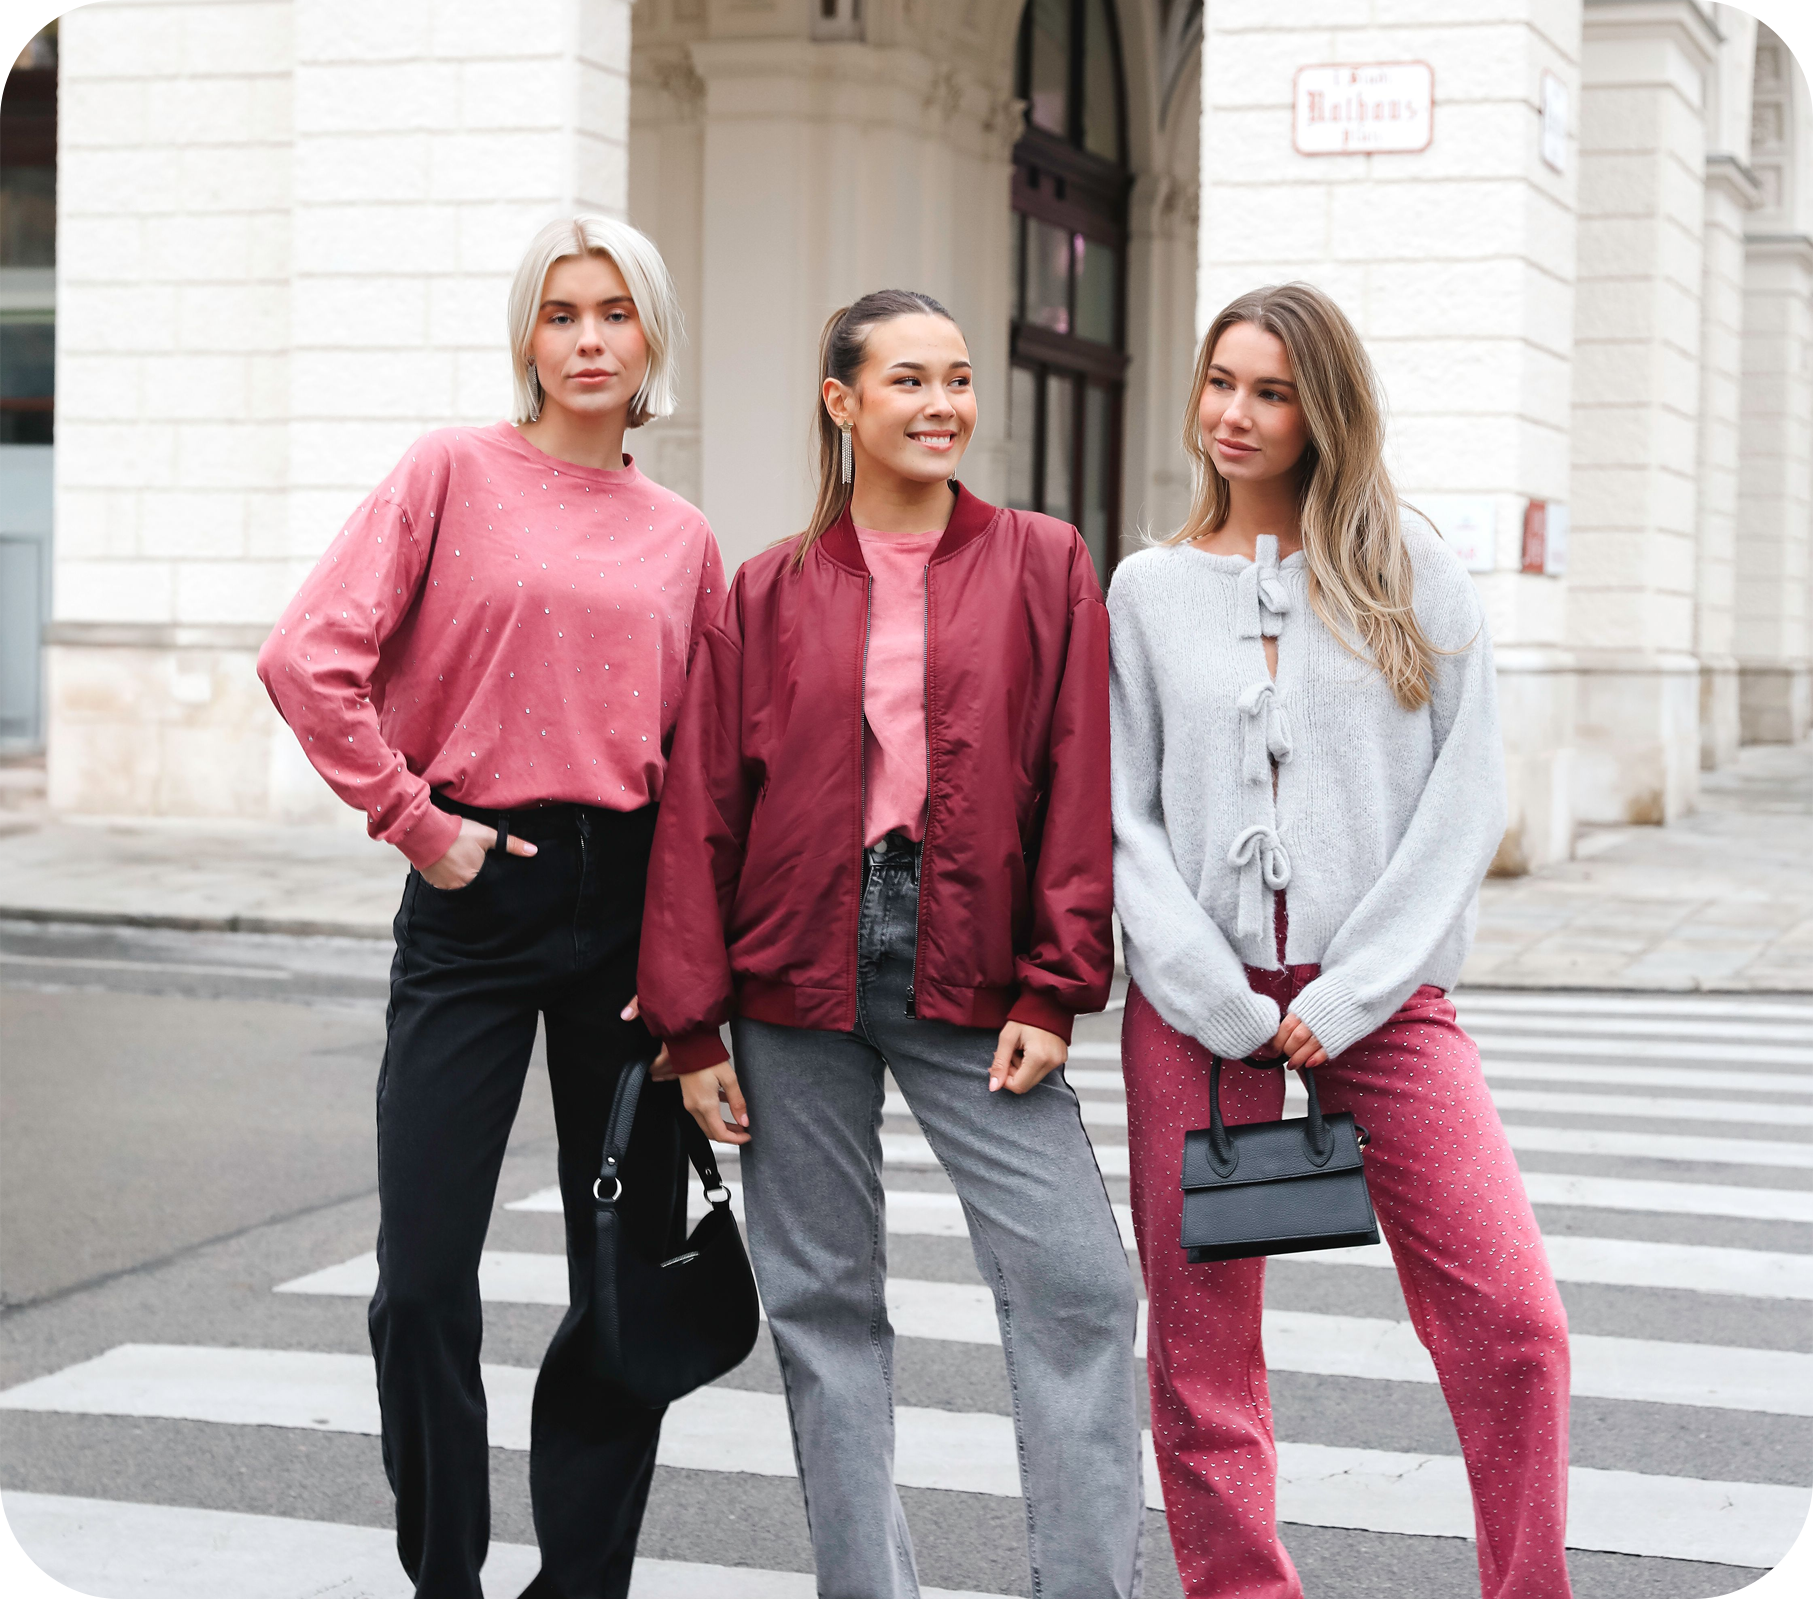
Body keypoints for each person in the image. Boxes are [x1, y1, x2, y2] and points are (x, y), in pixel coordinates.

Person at [632, 289, 1144, 1598]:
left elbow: (1076, 779)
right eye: (909, 380)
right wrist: (691, 1027)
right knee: (824, 1309)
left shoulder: (1044, 562)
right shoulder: (766, 589)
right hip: (792, 974)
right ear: (842, 403)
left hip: (975, 965)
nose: (941, 406)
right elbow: (703, 810)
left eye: (959, 380)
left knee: (1079, 1286)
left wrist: (1059, 980)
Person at [256, 215, 725, 1599]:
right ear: (528, 335)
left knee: (624, 1267)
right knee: (418, 1280)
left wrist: (697, 991)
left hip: (629, 907)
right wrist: (420, 827)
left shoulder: (684, 538)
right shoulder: (448, 472)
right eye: (562, 312)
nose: (589, 339)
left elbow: (703, 779)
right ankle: (444, 1577)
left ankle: (581, 1583)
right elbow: (306, 660)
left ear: (651, 342)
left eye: (616, 314)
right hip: (474, 894)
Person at [1109, 282, 1573, 1599]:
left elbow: (1465, 796)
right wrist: (1211, 989)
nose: (1236, 415)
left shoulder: (1413, 570)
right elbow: (1122, 817)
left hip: (1385, 1000)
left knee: (1517, 1326)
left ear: (1324, 409)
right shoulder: (1143, 593)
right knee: (1200, 1347)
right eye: (1222, 384)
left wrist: (1359, 987)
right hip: (1201, 1010)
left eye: (1271, 390)